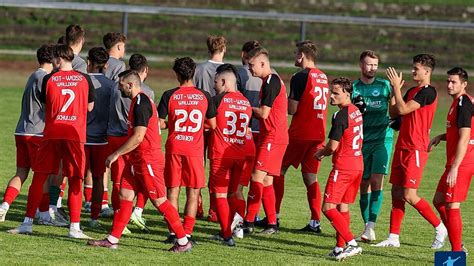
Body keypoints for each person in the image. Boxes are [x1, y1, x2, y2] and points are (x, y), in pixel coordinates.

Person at [87, 70, 192, 252]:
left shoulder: (142, 103)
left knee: (159, 201)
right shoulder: (136, 102)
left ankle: (183, 241)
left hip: (148, 160)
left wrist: (116, 154)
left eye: (121, 85)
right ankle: (113, 239)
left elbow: (138, 137)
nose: (119, 88)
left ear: (130, 85)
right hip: (136, 159)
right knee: (125, 196)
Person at [8, 44, 95, 239]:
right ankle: (74, 228)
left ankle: (27, 223)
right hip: (74, 135)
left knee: (39, 177)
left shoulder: (49, 79)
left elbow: (46, 105)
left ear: (58, 59)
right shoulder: (84, 79)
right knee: (74, 180)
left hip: (52, 133)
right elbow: (90, 107)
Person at [374, 54, 447, 248]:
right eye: (413, 67)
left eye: (416, 68)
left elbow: (405, 109)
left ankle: (440, 227)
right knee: (396, 192)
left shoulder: (428, 91)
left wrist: (398, 88)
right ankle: (393, 237)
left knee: (409, 194)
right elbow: (395, 112)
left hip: (415, 148)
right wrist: (392, 91)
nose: (413, 71)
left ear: (427, 71)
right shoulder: (413, 90)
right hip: (402, 145)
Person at [158, 57, 216, 243]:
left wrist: (172, 124)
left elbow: (160, 123)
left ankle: (174, 233)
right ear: (194, 73)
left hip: (175, 147)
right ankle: (188, 233)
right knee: (193, 192)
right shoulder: (205, 95)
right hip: (195, 150)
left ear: (176, 74)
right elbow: (213, 125)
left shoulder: (169, 94)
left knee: (172, 192)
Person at [278, 40, 329, 233]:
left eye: (295, 54)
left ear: (301, 55)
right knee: (310, 177)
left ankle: (273, 217)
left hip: (300, 133)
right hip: (318, 134)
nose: (294, 57)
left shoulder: (300, 77)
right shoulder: (323, 76)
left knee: (278, 170)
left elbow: (292, 109)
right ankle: (315, 221)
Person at [0, 45, 55, 222]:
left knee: (21, 173)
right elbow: (48, 107)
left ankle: (4, 205)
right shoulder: (45, 79)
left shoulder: (33, 76)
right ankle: (44, 213)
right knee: (43, 174)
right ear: (53, 59)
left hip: (21, 130)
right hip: (36, 133)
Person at [314, 77, 363, 261]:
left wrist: (320, 153)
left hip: (344, 166)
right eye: (330, 92)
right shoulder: (355, 111)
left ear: (347, 94)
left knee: (328, 207)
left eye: (336, 93)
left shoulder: (340, 115)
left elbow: (332, 146)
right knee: (343, 206)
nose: (331, 96)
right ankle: (339, 247)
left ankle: (352, 244)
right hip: (357, 165)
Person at [241, 47, 288, 235]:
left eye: (252, 65)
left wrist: (245, 106)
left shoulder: (271, 81)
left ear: (263, 63)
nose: (250, 69)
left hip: (273, 138)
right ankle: (271, 223)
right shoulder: (268, 81)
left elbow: (264, 113)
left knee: (256, 177)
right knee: (267, 180)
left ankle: (249, 221)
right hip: (273, 136)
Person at [208, 63, 252, 246]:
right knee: (234, 193)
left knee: (219, 195)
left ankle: (227, 235)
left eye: (216, 81)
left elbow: (209, 124)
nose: (214, 85)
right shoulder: (246, 102)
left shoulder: (218, 100)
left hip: (221, 154)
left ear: (224, 81)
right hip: (240, 154)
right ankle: (231, 230)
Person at [352, 50, 394, 242]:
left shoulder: (385, 86)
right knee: (364, 184)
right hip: (361, 140)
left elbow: (395, 110)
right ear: (361, 65)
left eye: (375, 65)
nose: (372, 68)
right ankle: (367, 225)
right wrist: (356, 108)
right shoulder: (354, 88)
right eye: (369, 64)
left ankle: (371, 226)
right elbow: (345, 111)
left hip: (383, 139)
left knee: (377, 180)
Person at [430, 67, 473, 252]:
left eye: (453, 82)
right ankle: (458, 243)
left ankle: (456, 254)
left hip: (462, 162)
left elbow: (465, 136)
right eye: (448, 81)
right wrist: (442, 136)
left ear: (464, 84)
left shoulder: (464, 103)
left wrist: (455, 167)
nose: (449, 85)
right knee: (439, 201)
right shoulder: (458, 102)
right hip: (456, 161)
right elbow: (458, 132)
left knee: (451, 205)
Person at [84, 47, 115, 227]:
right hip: (102, 139)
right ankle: (94, 217)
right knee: (98, 178)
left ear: (89, 61)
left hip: (81, 138)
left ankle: (73, 219)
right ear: (106, 64)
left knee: (74, 177)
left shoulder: (82, 81)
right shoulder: (111, 86)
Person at [128, 53, 155, 231]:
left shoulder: (121, 87)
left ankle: (118, 222)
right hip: (137, 144)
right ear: (145, 70)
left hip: (119, 137)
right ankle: (183, 238)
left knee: (123, 184)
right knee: (156, 193)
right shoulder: (147, 93)